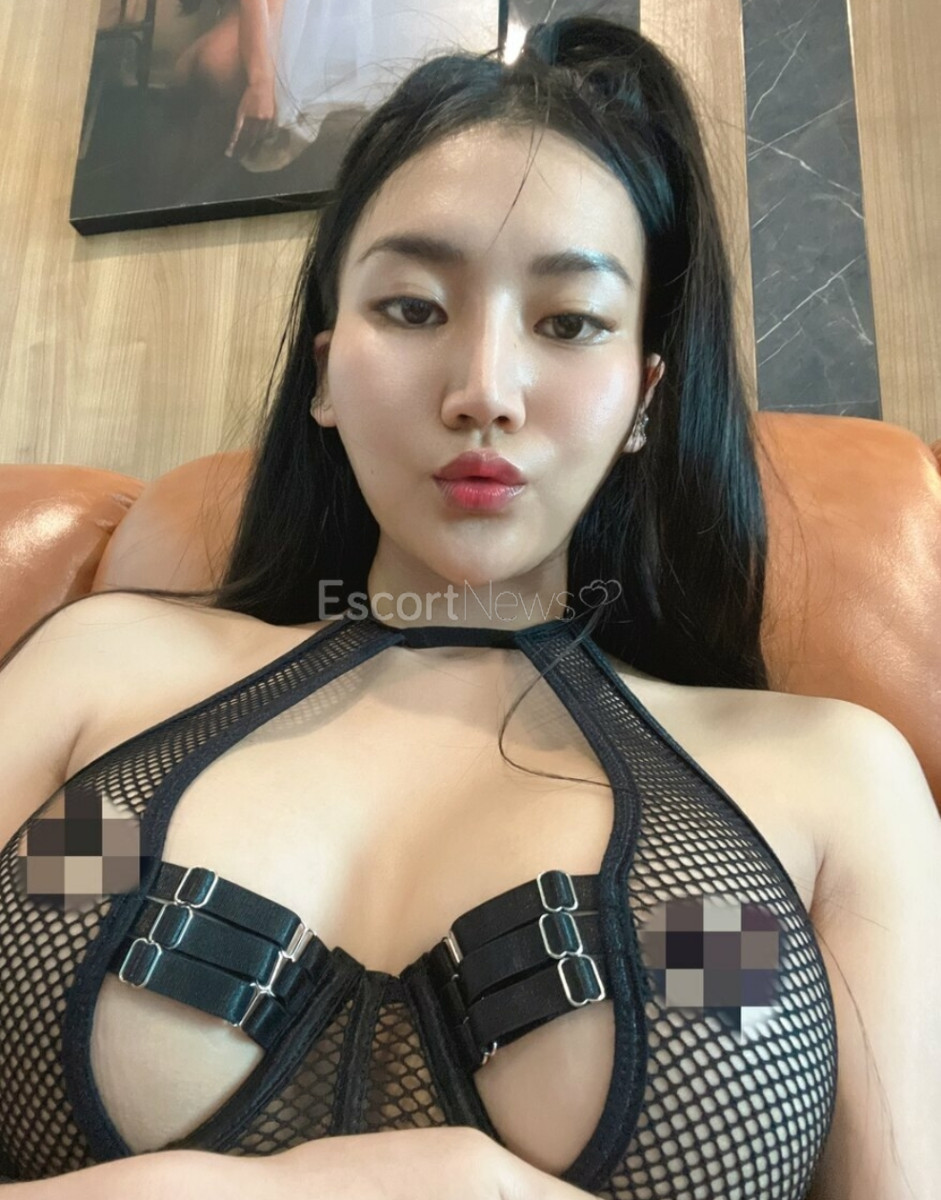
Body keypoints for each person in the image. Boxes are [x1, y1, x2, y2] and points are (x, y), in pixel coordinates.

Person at [1, 15, 939, 1200]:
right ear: (323, 367)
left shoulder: (826, 782)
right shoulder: (98, 680)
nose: (483, 390)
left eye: (567, 323)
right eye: (411, 308)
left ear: (643, 398)